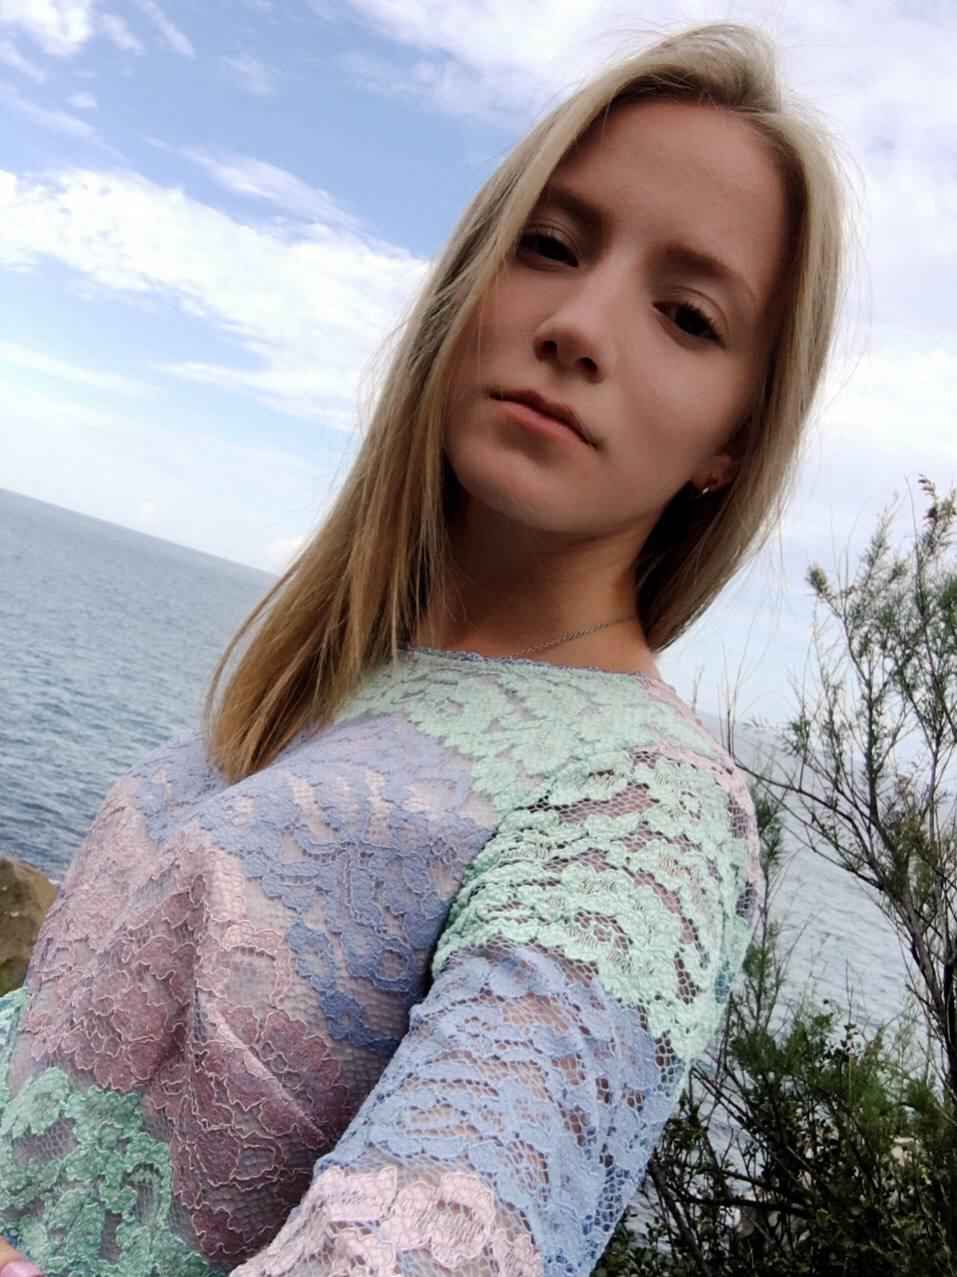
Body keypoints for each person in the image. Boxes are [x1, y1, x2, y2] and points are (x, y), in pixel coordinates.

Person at [0, 18, 850, 1277]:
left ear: (733, 436)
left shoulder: (642, 805)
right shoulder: (322, 672)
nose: (581, 324)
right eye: (550, 246)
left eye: (686, 314)